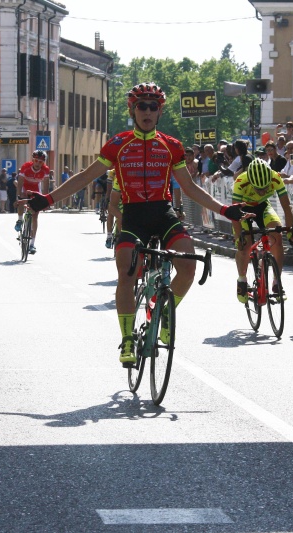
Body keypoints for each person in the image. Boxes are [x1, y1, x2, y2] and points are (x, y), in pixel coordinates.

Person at [25, 82, 247, 367]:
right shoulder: (118, 144)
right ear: (132, 110)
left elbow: (190, 187)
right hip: (132, 216)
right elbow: (85, 177)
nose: (147, 111)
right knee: (126, 274)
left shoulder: (171, 145)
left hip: (162, 213)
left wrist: (226, 210)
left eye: (153, 106)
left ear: (160, 112)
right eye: (142, 106)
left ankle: (165, 313)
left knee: (189, 266)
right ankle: (128, 338)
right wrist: (47, 199)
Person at [232, 158, 293, 302]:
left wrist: (291, 230)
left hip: (263, 207)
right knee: (245, 245)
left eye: (265, 188)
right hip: (242, 210)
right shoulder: (241, 182)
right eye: (258, 189)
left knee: (277, 237)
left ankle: (277, 282)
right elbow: (234, 213)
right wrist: (238, 237)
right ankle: (242, 280)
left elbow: (287, 207)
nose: (262, 191)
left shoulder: (275, 178)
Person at [15, 150, 51, 254]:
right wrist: (18, 196)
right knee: (21, 200)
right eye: (36, 161)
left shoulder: (45, 170)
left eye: (40, 162)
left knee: (35, 216)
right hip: (25, 187)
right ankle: (20, 220)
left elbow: (45, 187)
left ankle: (32, 244)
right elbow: (20, 182)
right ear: (32, 160)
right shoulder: (25, 167)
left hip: (36, 189)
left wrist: (46, 201)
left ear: (43, 162)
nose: (38, 163)